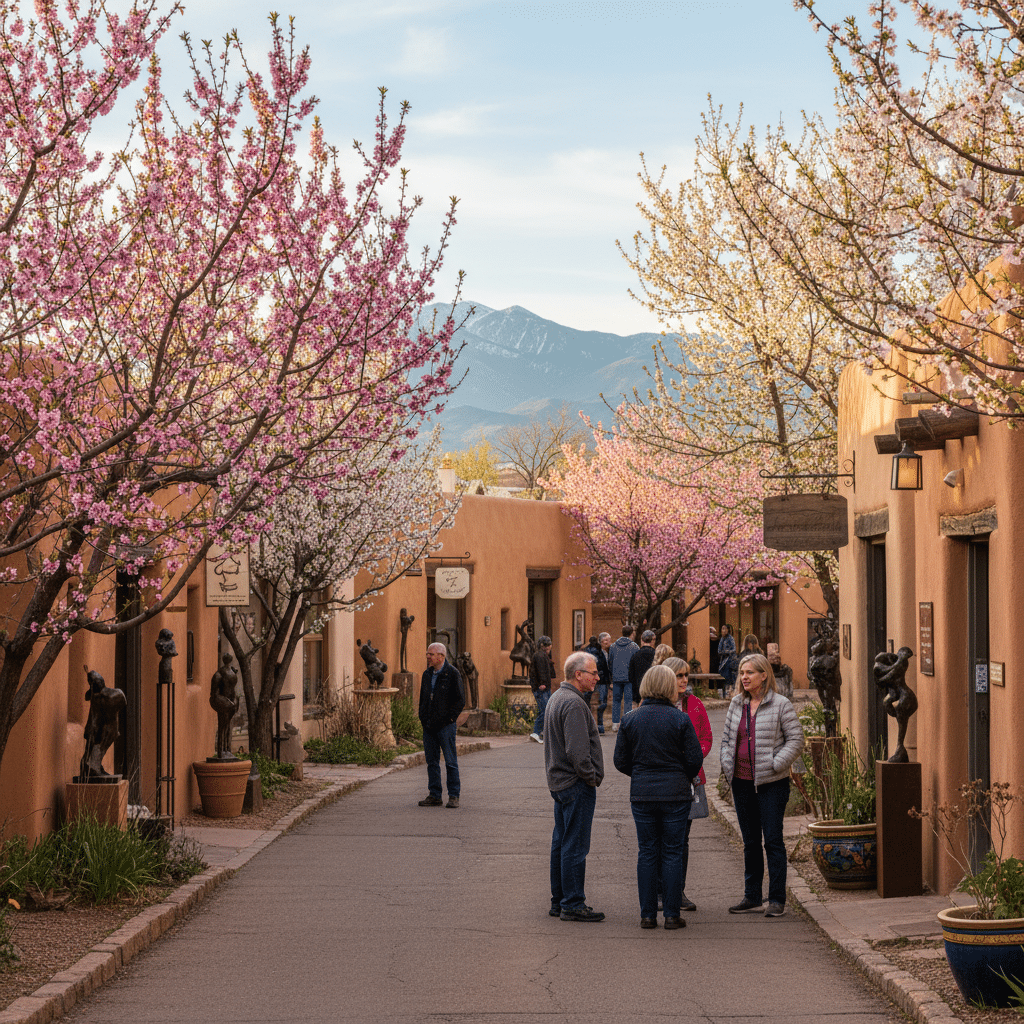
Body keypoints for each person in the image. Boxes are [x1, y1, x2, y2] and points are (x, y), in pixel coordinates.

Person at [613, 664, 704, 930]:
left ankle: (647, 914)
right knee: (673, 852)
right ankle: (672, 915)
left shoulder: (631, 719)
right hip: (675, 793)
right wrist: (681, 774)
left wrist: (640, 773)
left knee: (647, 852)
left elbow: (620, 760)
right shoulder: (680, 719)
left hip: (642, 793)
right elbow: (695, 758)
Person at [719, 652, 805, 917]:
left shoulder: (781, 704)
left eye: (750, 673)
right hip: (742, 782)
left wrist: (776, 763)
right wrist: (726, 764)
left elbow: (796, 740)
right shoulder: (736, 704)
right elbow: (726, 740)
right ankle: (752, 895)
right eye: (742, 673)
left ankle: (777, 898)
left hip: (771, 784)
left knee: (773, 841)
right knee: (750, 842)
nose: (744, 677)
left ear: (764, 675)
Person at [545, 650, 605, 922]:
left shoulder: (558, 697)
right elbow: (578, 752)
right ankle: (572, 902)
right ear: (578, 674)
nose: (597, 677)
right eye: (593, 673)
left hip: (560, 783)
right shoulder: (573, 703)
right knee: (575, 845)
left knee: (561, 843)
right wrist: (591, 777)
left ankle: (560, 900)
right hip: (574, 783)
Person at [663, 656, 712, 912]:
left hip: (691, 778)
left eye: (686, 676)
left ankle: (678, 890)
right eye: (678, 675)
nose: (683, 681)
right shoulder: (656, 704)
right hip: (666, 779)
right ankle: (661, 891)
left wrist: (693, 756)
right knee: (662, 838)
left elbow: (706, 736)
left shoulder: (694, 704)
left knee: (682, 839)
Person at [417, 643, 466, 808]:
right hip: (429, 725)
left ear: (441, 657)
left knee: (450, 761)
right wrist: (423, 718)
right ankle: (434, 794)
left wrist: (450, 720)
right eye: (427, 653)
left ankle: (453, 796)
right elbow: (423, 699)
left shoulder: (452, 674)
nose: (428, 657)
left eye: (431, 654)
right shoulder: (427, 674)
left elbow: (460, 700)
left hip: (446, 726)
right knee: (432, 761)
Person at [606, 625, 639, 732]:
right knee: (628, 701)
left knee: (616, 701)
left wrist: (612, 674)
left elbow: (610, 662)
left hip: (616, 677)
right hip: (629, 678)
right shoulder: (634, 646)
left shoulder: (613, 646)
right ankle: (627, 723)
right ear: (631, 633)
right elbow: (636, 663)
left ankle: (615, 724)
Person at [582, 634, 611, 733]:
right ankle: (600, 725)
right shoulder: (601, 652)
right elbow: (605, 667)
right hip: (602, 679)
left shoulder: (585, 652)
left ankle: (587, 723)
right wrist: (608, 680)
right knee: (602, 702)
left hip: (590, 678)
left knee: (586, 700)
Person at [529, 636, 555, 744]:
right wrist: (542, 683)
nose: (550, 646)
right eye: (547, 644)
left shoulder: (543, 656)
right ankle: (536, 732)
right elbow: (541, 671)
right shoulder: (539, 656)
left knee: (546, 710)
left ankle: (543, 733)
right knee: (544, 710)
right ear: (542, 646)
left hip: (544, 687)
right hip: (542, 688)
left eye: (550, 644)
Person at [627, 629, 657, 717]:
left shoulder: (635, 656)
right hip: (654, 691)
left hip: (638, 691)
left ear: (642, 640)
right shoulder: (656, 655)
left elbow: (630, 676)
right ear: (653, 640)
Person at [717, 623, 737, 695]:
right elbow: (719, 650)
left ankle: (729, 693)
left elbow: (734, 649)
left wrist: (726, 652)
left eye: (725, 628)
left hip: (730, 660)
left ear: (728, 630)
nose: (724, 630)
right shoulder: (722, 639)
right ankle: (724, 693)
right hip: (723, 661)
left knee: (729, 677)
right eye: (722, 628)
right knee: (723, 676)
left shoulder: (730, 638)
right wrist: (723, 652)